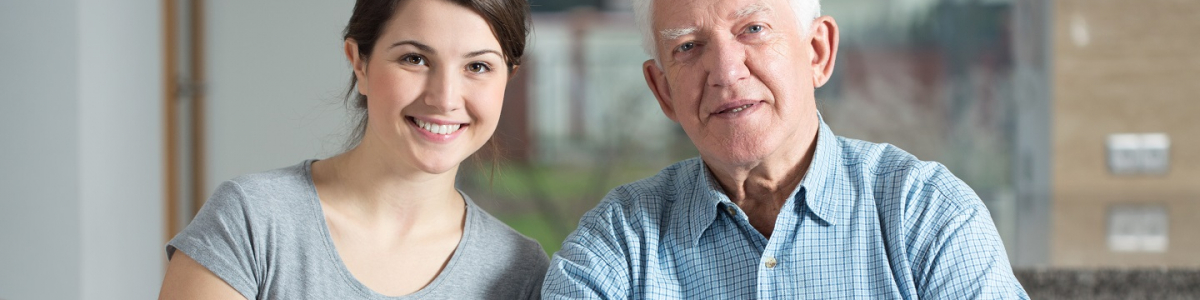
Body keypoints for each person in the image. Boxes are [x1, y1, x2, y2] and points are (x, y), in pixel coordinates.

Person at [541, 0, 1029, 298]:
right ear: (663, 90)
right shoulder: (618, 246)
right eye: (689, 46)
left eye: (752, 29)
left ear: (818, 52)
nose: (726, 71)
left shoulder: (927, 216)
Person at [158, 0, 547, 298]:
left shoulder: (522, 271)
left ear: (508, 79)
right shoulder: (252, 222)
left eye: (478, 67)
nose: (444, 98)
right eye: (415, 59)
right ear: (359, 63)